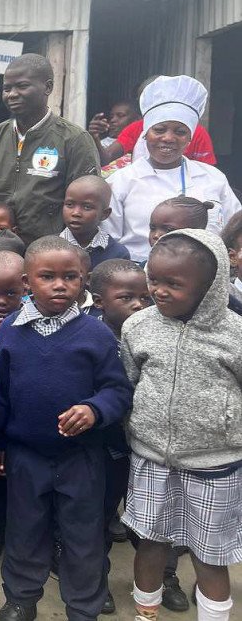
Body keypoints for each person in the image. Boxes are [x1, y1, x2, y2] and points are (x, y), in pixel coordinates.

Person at [0, 236, 132, 621]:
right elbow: (3, 393)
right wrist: (0, 441)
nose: (59, 285)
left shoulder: (96, 334)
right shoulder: (12, 333)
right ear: (25, 282)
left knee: (83, 537)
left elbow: (118, 390)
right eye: (47, 276)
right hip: (26, 454)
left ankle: (83, 607)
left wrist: (94, 408)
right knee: (24, 531)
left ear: (84, 280)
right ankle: (20, 599)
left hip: (81, 456)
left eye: (70, 277)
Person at [121, 230, 241, 621]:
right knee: (151, 543)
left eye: (174, 283)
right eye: (154, 279)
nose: (159, 290)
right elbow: (129, 383)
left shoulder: (234, 335)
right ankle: (146, 613)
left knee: (210, 555)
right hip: (151, 458)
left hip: (215, 465)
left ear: (210, 286)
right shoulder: (138, 327)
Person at [0, 54, 100, 246]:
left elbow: (86, 206)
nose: (12, 94)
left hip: (50, 250)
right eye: (6, 88)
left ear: (48, 87)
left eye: (22, 86)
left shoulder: (74, 139)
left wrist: (70, 251)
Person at [104, 75, 241, 262]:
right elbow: (110, 241)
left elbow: (235, 229)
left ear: (190, 138)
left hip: (205, 280)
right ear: (145, 134)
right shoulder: (121, 181)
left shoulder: (213, 178)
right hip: (138, 280)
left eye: (180, 132)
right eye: (159, 129)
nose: (168, 138)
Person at [90, 258, 152, 615]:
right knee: (98, 516)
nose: (138, 305)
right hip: (107, 446)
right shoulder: (93, 335)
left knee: (151, 519)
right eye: (127, 297)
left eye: (144, 297)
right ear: (99, 301)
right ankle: (96, 578)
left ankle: (162, 578)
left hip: (145, 445)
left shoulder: (153, 330)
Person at [59, 175, 131, 269]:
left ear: (105, 214)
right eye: (69, 204)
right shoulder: (47, 249)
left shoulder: (117, 254)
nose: (76, 213)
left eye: (87, 207)